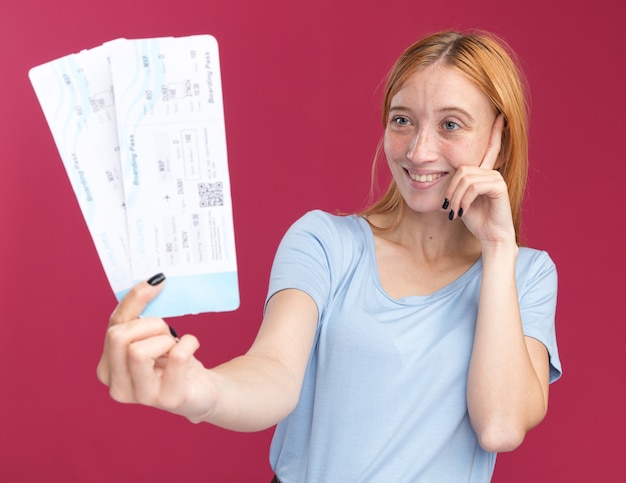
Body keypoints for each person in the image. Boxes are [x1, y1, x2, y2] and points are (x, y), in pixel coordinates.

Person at [97, 30, 562, 482]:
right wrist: (204, 392)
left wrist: (499, 248)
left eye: (451, 125)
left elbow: (499, 427)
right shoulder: (325, 241)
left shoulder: (527, 275)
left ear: (498, 138)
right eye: (403, 120)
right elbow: (274, 370)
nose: (419, 151)